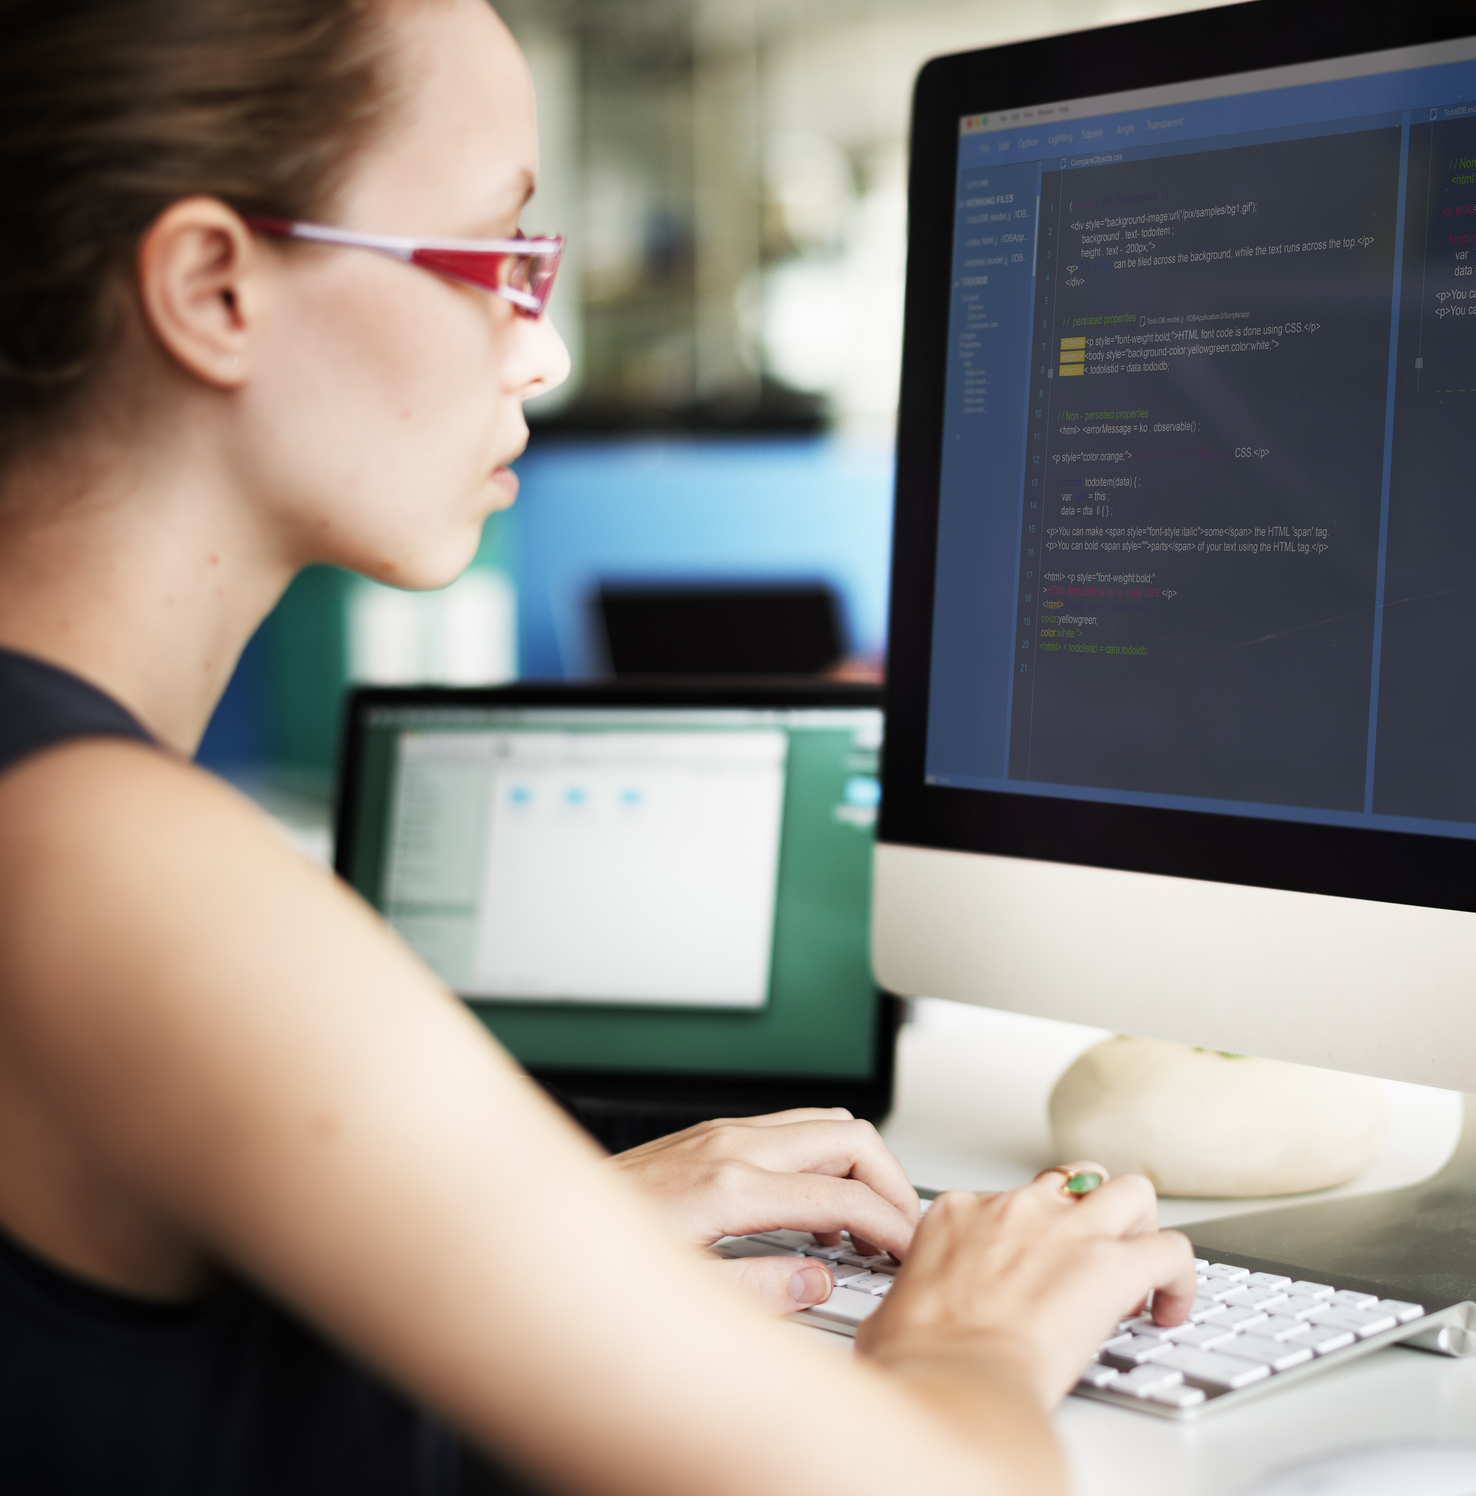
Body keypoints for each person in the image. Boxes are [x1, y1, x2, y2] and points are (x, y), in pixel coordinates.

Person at [0, 2, 1194, 1492]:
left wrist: (534, 1237)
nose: (546, 348)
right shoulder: (127, 881)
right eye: (496, 259)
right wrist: (974, 1334)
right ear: (213, 288)